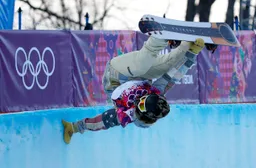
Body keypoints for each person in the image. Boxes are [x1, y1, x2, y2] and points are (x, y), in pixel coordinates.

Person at [62, 35, 217, 144]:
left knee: (140, 65)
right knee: (169, 65)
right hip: (141, 76)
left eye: (141, 104)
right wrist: (193, 52)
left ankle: (159, 38)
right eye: (145, 99)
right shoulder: (157, 93)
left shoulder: (124, 115)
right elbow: (174, 75)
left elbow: (98, 124)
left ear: (140, 110)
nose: (140, 100)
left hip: (115, 76)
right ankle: (187, 42)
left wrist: (74, 127)